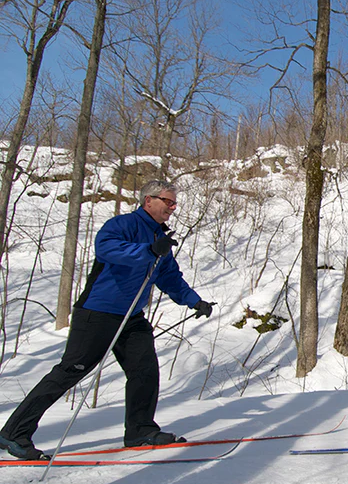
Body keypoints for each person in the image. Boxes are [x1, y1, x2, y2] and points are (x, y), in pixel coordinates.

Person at [0, 181, 215, 460]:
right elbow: (108, 250)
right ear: (148, 200)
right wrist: (148, 251)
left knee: (144, 370)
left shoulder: (160, 237)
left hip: (131, 317)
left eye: (174, 203)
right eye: (168, 202)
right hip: (97, 313)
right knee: (70, 372)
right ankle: (13, 433)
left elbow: (169, 276)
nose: (172, 208)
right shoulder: (122, 225)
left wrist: (193, 300)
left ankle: (140, 431)